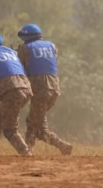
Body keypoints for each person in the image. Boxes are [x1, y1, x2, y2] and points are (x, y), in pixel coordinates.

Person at [16, 24, 73, 155]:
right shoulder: (52, 46)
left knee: (36, 125)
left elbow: (20, 66)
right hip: (54, 88)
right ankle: (32, 148)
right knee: (36, 122)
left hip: (40, 90)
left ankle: (30, 150)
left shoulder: (25, 48)